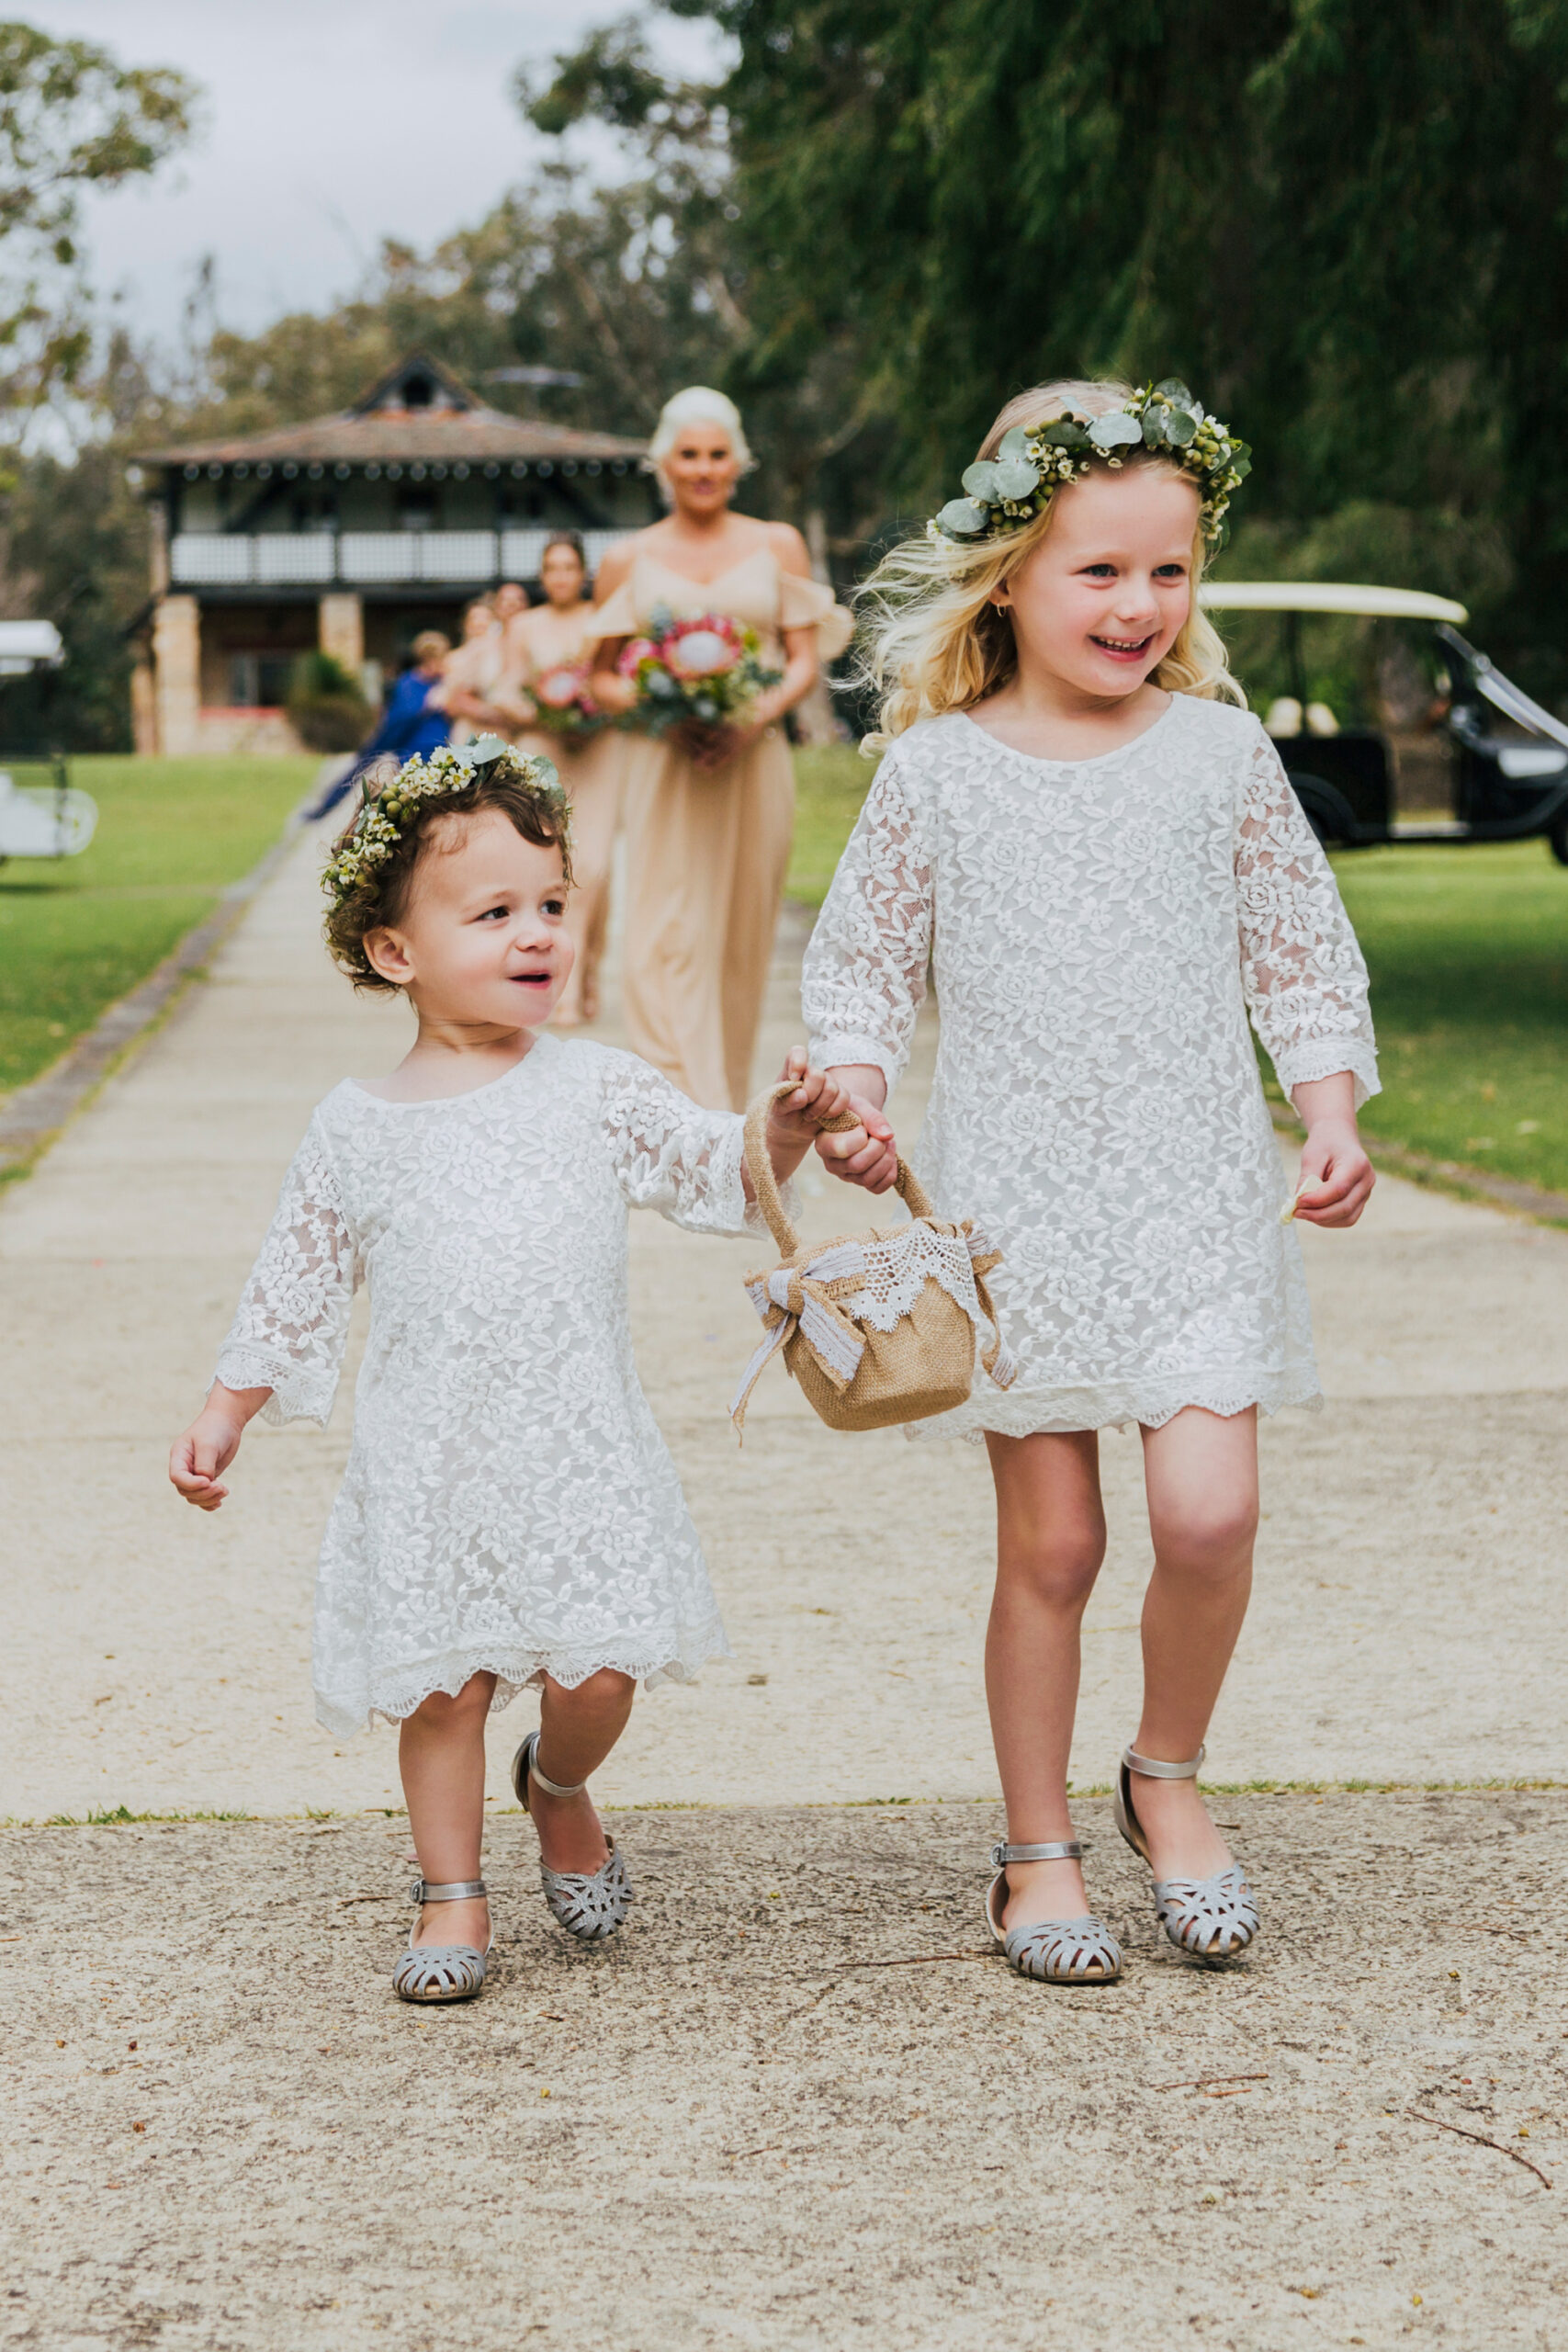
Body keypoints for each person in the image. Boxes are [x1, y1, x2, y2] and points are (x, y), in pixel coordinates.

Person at [802, 378, 1378, 1986]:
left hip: (1193, 1191)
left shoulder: (1219, 756)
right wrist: (848, 1096)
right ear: (1008, 574)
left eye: (1169, 571)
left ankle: (1165, 1775)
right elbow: (859, 971)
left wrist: (1326, 1111)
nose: (1138, 607)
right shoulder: (935, 774)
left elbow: (1294, 955)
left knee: (1209, 1512)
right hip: (1019, 1210)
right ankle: (1033, 1847)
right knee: (1052, 1546)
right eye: (1099, 572)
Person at [167, 740, 866, 2007]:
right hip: (431, 1454)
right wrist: (228, 1410)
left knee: (595, 1671)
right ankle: (450, 1894)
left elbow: (713, 1170)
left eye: (551, 906)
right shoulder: (356, 1126)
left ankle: (554, 1780)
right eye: (492, 914)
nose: (535, 934)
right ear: (397, 953)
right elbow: (297, 1278)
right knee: (443, 1686)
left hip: (576, 1441)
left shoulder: (594, 1088)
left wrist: (777, 1127)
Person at [588, 387, 852, 1111]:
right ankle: (675, 1105)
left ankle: (726, 1110)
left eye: (715, 455)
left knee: (740, 934)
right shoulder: (626, 558)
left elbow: (802, 659)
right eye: (688, 455)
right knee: (661, 934)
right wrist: (663, 710)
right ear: (663, 464)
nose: (702, 468)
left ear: (736, 463)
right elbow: (600, 679)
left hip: (754, 757)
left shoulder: (777, 543)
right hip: (663, 761)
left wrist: (751, 715)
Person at [508, 531, 622, 1026]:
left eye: (569, 567)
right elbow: (508, 691)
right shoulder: (524, 627)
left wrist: (590, 708)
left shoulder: (602, 622)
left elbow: (620, 682)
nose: (560, 577)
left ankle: (588, 971)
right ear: (542, 575)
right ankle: (559, 989)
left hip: (599, 751)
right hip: (542, 752)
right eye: (552, 568)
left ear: (583, 573)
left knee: (593, 869)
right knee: (547, 870)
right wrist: (545, 708)